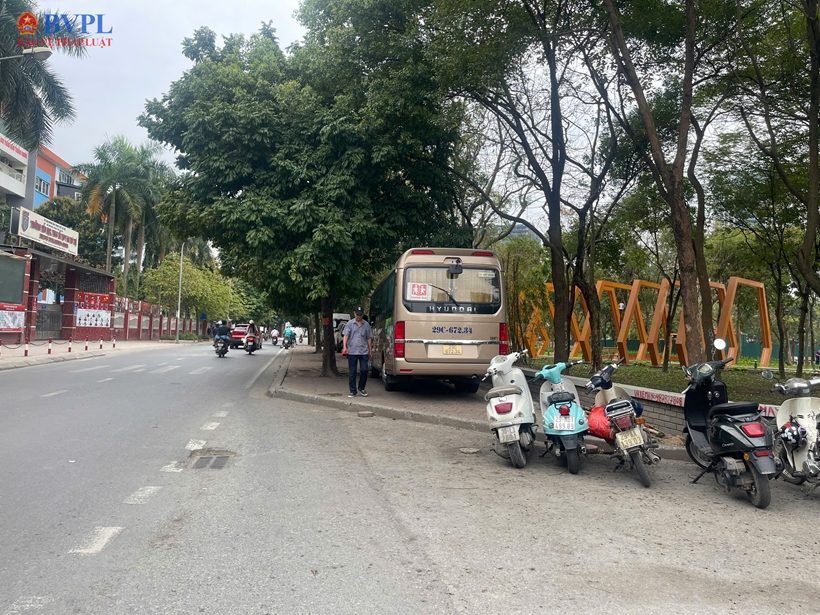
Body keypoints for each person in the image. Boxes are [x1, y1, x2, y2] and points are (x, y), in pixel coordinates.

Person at [342, 305, 373, 397]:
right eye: (357, 314)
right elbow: (345, 336)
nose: (359, 316)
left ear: (362, 315)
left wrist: (370, 350)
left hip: (364, 351)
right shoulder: (350, 324)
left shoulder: (366, 325)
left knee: (364, 370)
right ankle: (353, 390)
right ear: (354, 314)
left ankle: (361, 388)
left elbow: (369, 338)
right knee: (352, 372)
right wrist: (344, 347)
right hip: (352, 351)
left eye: (360, 315)